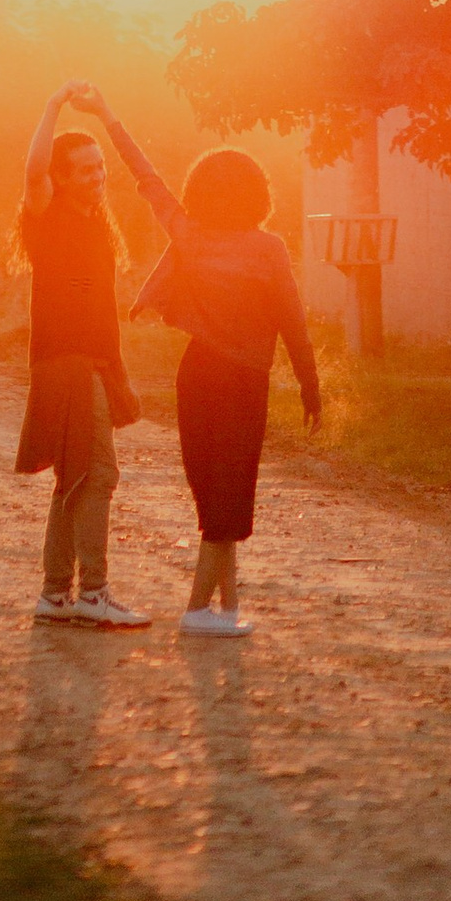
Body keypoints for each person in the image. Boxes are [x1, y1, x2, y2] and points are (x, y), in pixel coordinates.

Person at [67, 83, 320, 638]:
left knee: (216, 493)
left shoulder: (190, 233)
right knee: (229, 493)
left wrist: (109, 114)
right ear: (259, 191)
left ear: (199, 190)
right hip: (241, 383)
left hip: (198, 375)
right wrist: (310, 385)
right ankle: (200, 609)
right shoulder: (268, 248)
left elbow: (144, 174)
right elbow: (294, 323)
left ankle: (224, 607)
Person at [11, 86, 152, 627]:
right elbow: (32, 172)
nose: (97, 177)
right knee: (98, 473)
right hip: (64, 361)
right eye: (85, 170)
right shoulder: (46, 218)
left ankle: (54, 594)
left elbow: (100, 310)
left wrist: (117, 372)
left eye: (100, 169)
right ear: (60, 178)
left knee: (74, 476)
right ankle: (93, 594)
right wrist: (50, 108)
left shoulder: (97, 223)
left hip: (89, 362)